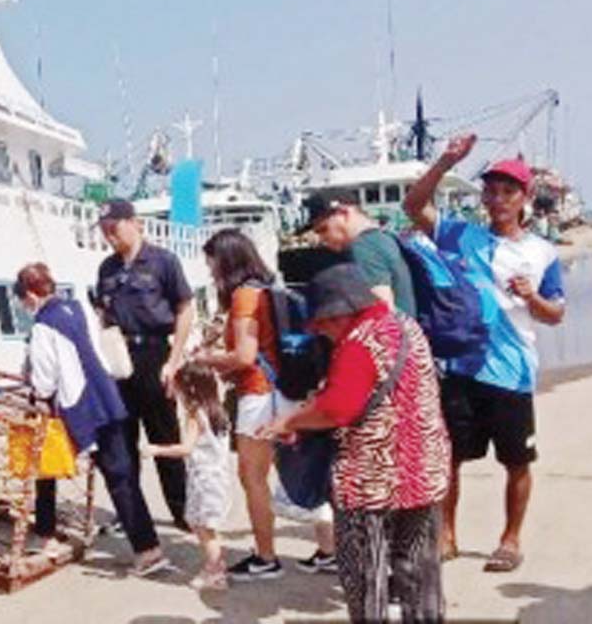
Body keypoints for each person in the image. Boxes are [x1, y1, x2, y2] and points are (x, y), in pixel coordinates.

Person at [403, 134, 565, 573]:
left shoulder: (542, 252)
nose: (497, 199)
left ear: (524, 197)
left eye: (507, 191)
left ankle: (510, 540)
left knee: (516, 461)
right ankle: (447, 535)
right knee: (450, 458)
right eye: (491, 190)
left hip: (512, 372)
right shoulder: (459, 235)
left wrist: (532, 299)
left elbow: (555, 315)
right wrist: (445, 162)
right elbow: (413, 207)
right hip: (459, 366)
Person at [260, 264, 451, 623]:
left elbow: (338, 409)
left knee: (366, 577)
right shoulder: (405, 325)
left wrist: (290, 420)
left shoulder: (359, 341)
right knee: (420, 573)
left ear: (342, 312)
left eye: (323, 321)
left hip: (371, 480)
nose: (319, 329)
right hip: (425, 469)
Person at [192, 228, 335, 580]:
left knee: (253, 477)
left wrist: (207, 359)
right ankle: (329, 550)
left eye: (212, 263)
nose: (210, 271)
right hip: (287, 392)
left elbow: (244, 356)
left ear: (225, 261)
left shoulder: (243, 297)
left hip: (260, 394)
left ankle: (266, 557)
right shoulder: (269, 288)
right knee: (304, 470)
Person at [15, 262, 169, 576]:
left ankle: (50, 536)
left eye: (23, 299)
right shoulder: (79, 307)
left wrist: (33, 388)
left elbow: (45, 381)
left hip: (81, 406)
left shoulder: (44, 325)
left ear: (31, 295)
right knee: (121, 474)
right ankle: (147, 545)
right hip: (108, 395)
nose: (24, 306)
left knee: (54, 466)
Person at [94, 198, 194, 530]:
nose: (109, 236)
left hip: (154, 354)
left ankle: (182, 511)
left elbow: (184, 308)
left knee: (165, 434)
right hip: (120, 358)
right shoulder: (107, 269)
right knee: (122, 437)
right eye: (105, 231)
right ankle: (132, 512)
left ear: (134, 223)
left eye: (114, 228)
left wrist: (175, 360)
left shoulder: (163, 262)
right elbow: (102, 315)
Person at [142, 361, 231, 590]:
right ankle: (215, 565)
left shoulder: (196, 415)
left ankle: (215, 571)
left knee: (204, 528)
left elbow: (185, 448)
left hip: (204, 478)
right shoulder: (217, 409)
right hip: (218, 476)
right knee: (206, 526)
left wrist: (157, 449)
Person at [299, 188, 417, 316]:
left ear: (344, 213)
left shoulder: (364, 247)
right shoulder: (384, 237)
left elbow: (382, 312)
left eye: (323, 229)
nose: (322, 239)